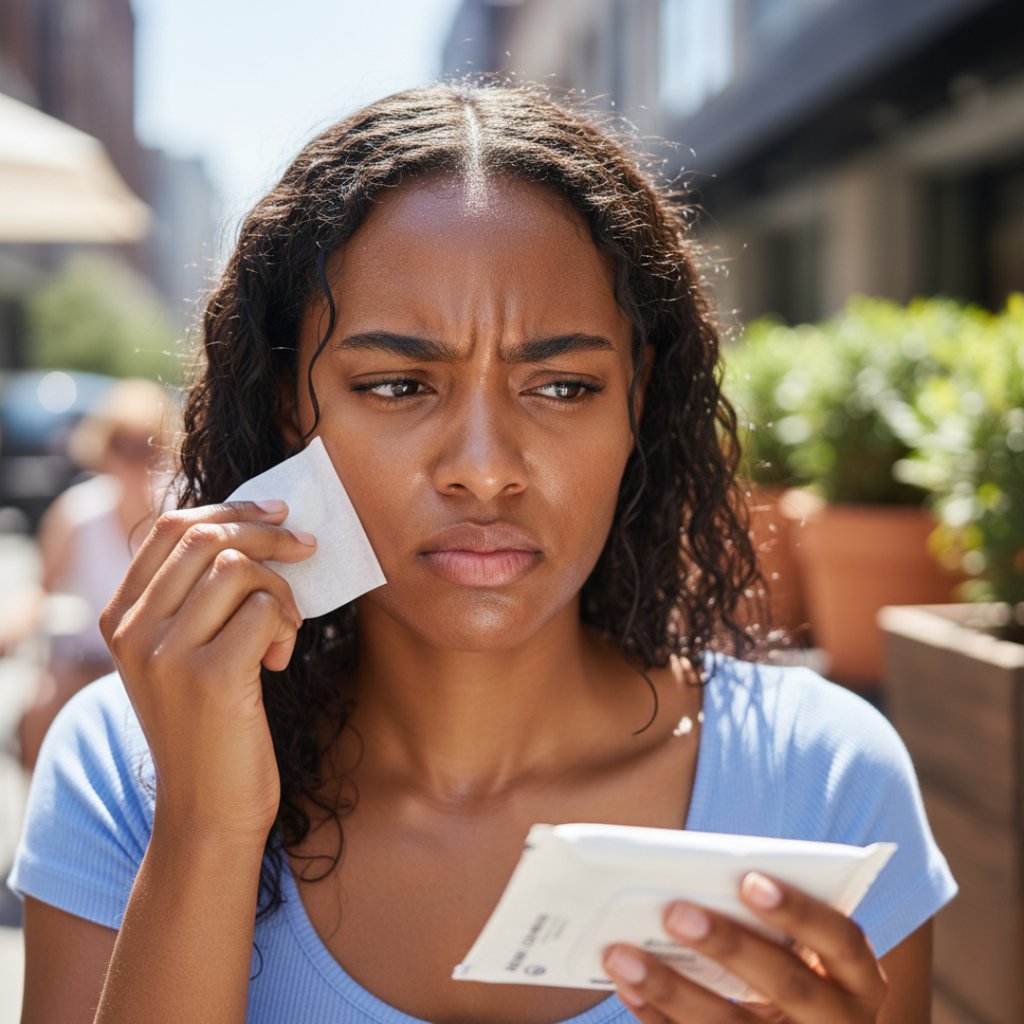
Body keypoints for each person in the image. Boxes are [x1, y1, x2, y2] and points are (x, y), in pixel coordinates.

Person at [9, 84, 955, 1024]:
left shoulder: (824, 779)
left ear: (640, 400)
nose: (485, 470)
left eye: (562, 387)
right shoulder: (128, 766)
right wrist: (206, 829)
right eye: (396, 384)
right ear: (292, 406)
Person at [4, 377, 171, 770]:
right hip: (90, 658)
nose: (134, 459)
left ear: (163, 448)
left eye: (146, 444)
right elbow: (40, 589)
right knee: (38, 711)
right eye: (121, 444)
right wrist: (11, 626)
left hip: (160, 660)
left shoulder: (180, 508)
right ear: (103, 447)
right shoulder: (78, 511)